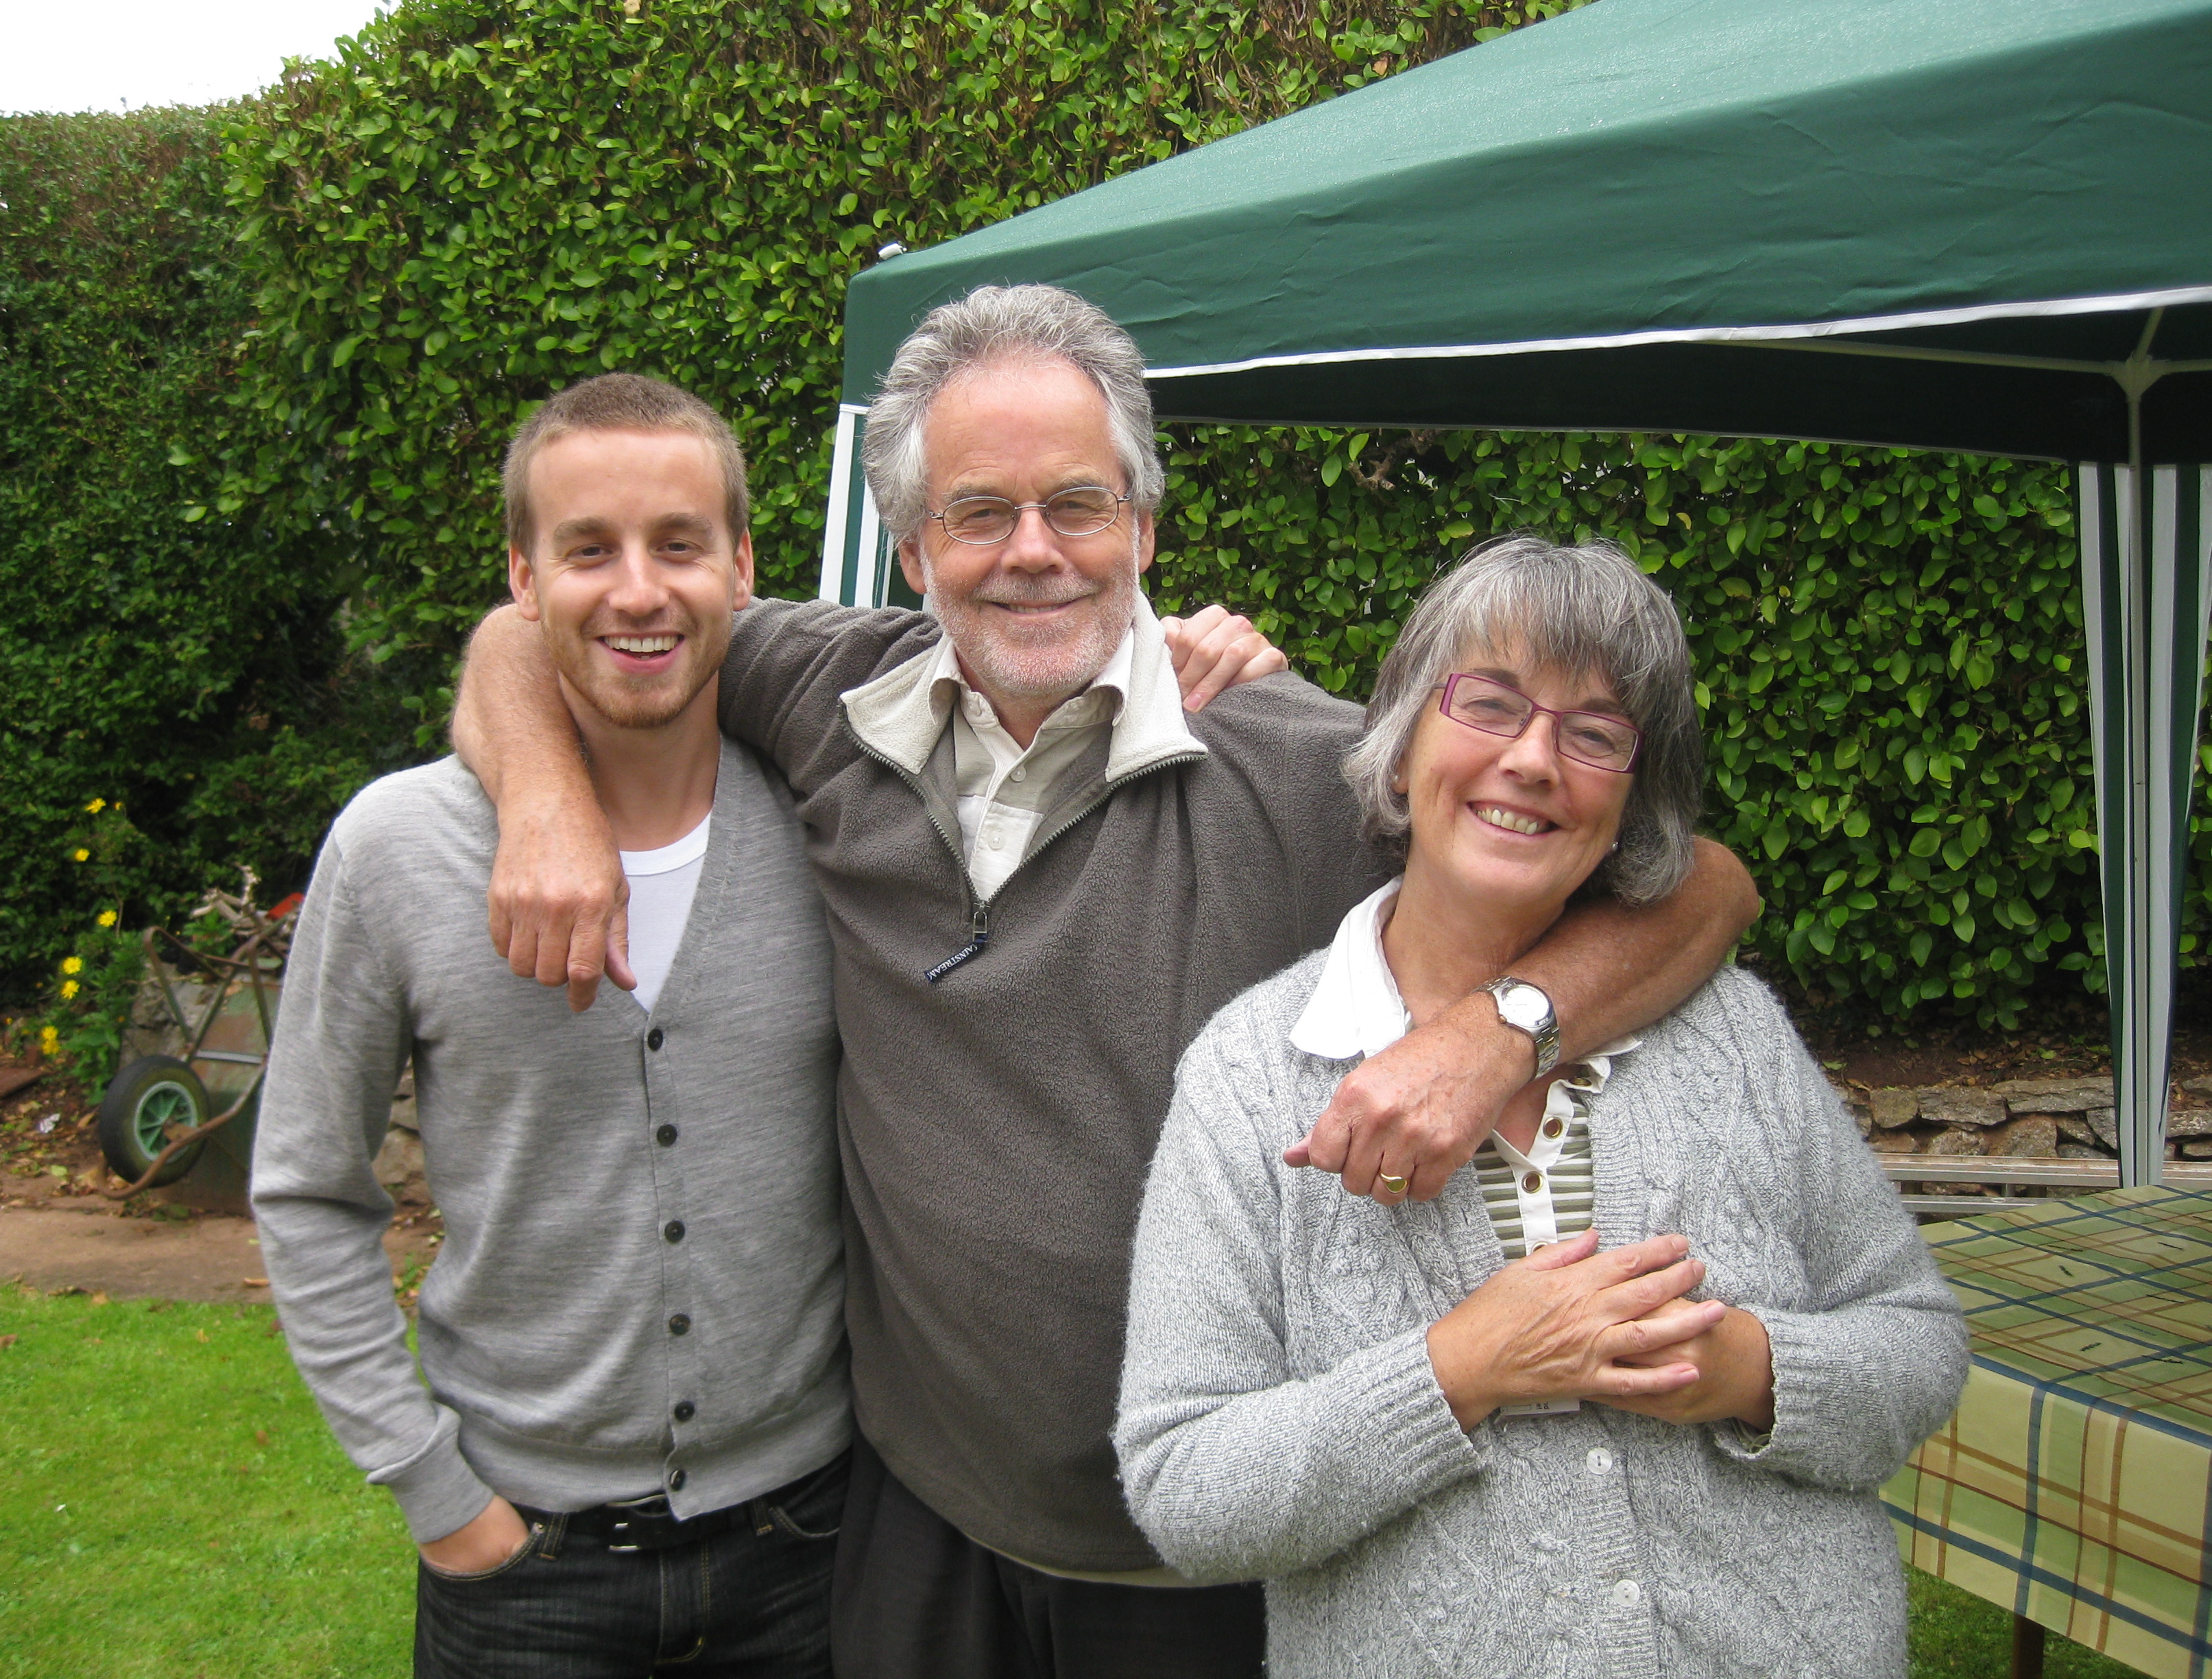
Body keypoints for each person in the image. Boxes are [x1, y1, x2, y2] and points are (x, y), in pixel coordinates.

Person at [451, 287, 1764, 1679]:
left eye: (1077, 506)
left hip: (1204, 1554)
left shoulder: (1297, 767)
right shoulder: (825, 697)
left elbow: (1700, 887)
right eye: (979, 512)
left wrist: (1499, 1033)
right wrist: (546, 803)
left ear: (1142, 530)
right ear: (912, 549)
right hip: (920, 1515)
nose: (1034, 553)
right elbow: (533, 630)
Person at [1114, 534, 1969, 1678]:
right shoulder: (1255, 1073)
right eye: (1490, 704)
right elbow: (1187, 1486)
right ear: (1402, 747)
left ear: (1632, 801)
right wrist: (1461, 1368)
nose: (1532, 760)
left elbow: (1917, 1339)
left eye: (1595, 734)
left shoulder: (1732, 1032)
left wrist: (1749, 1369)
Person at [252, 374, 855, 1678]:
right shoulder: (396, 851)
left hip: (809, 1547)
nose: (639, 591)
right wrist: (436, 1496)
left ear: (743, 566)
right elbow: (307, 1188)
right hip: (527, 1572)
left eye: (679, 543)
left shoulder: (834, 823)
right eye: (589, 550)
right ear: (522, 581)